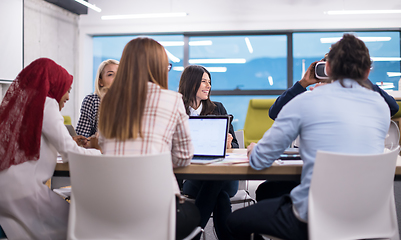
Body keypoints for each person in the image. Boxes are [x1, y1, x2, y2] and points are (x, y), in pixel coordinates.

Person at [227, 34, 391, 240]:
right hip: (367, 217)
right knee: (270, 191)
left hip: (313, 218)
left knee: (234, 222)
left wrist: (253, 150)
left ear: (327, 68)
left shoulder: (306, 102)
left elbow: (260, 161)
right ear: (367, 72)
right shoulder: (381, 106)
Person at [97, 37, 200, 240]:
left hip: (110, 210)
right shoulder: (172, 99)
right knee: (195, 212)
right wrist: (156, 157)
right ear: (159, 67)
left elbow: (103, 147)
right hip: (157, 209)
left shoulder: (108, 99)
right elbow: (183, 157)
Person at [0, 58, 101, 240]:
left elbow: (34, 143)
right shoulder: (46, 103)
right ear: (55, 83)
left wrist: (68, 140)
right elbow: (70, 152)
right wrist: (102, 152)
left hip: (6, 190)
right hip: (23, 192)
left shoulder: (24, 103)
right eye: (67, 90)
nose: (68, 97)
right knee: (80, 226)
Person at [178, 65, 239, 240]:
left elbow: (234, 144)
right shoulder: (178, 111)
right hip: (192, 177)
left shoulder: (218, 108)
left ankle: (191, 234)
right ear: (191, 83)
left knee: (216, 181)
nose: (208, 86)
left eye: (209, 82)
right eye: (204, 81)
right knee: (219, 196)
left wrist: (228, 144)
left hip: (224, 177)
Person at [76, 59, 119, 138]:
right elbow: (81, 137)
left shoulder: (130, 102)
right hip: (98, 149)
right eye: (110, 74)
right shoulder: (92, 101)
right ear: (100, 81)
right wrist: (94, 139)